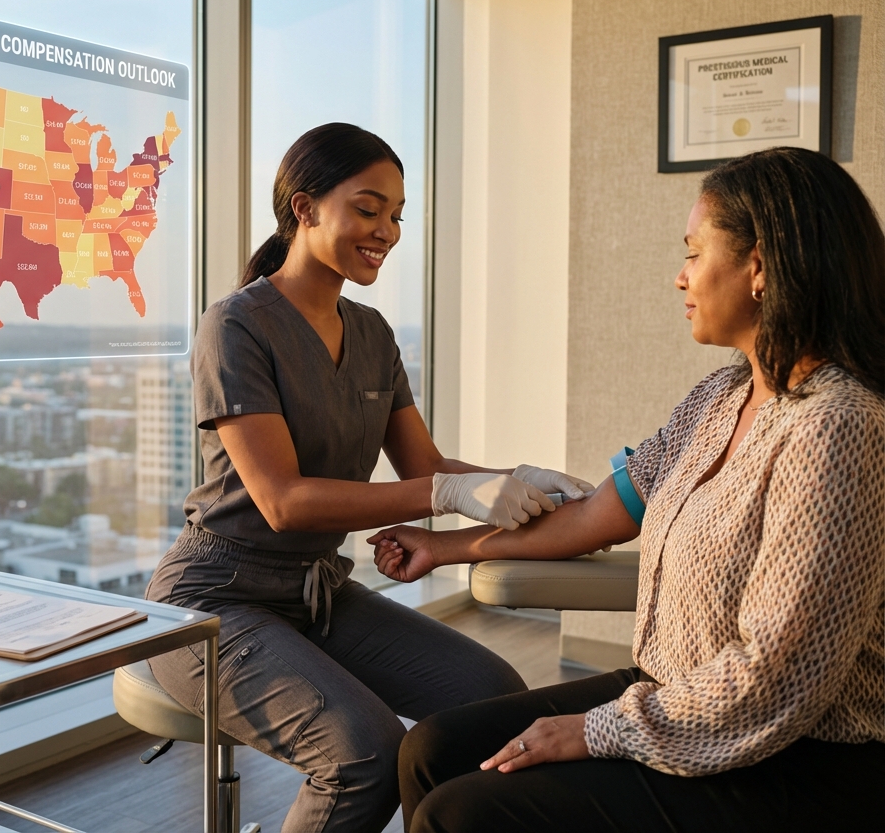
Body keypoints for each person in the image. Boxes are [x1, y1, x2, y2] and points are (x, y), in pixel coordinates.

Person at [370, 146, 885, 832]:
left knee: (466, 813)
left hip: (798, 755)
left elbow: (774, 680)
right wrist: (445, 548)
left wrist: (594, 730)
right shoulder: (721, 397)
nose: (680, 277)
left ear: (759, 268)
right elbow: (598, 516)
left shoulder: (837, 427)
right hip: (677, 695)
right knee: (432, 751)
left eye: (694, 253)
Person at [145, 122, 593, 833]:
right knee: (363, 754)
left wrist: (527, 479)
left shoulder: (374, 334)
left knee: (490, 699)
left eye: (396, 215)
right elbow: (284, 502)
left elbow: (428, 469)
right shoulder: (235, 326)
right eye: (368, 207)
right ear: (305, 207)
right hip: (213, 604)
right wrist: (446, 495)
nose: (386, 229)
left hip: (318, 594)